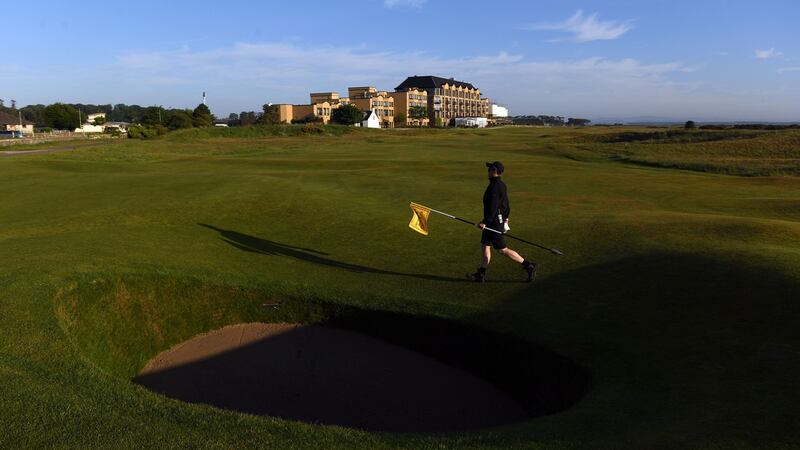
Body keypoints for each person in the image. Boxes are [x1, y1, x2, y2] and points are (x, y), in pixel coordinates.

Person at [468, 161, 538, 283]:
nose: (488, 171)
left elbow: (493, 206)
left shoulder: (495, 187)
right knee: (485, 246)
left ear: (494, 171)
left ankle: (529, 266)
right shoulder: (500, 185)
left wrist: (485, 221)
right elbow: (506, 204)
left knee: (502, 249)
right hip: (495, 220)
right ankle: (481, 274)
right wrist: (506, 216)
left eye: (490, 169)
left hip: (493, 223)